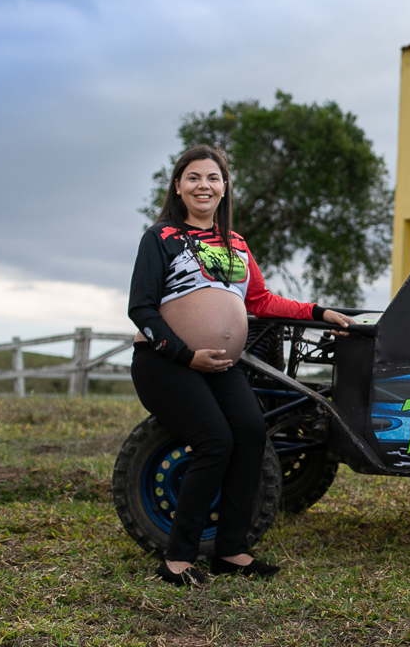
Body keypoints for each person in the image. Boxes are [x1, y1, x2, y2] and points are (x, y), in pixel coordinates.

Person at [128, 145, 354, 586]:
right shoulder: (160, 238)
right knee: (215, 440)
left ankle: (231, 551)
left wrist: (319, 311)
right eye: (193, 177)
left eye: (212, 178)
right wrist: (186, 354)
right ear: (178, 186)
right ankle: (177, 560)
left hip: (220, 369)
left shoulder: (236, 245)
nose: (203, 186)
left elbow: (262, 302)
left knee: (250, 433)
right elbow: (142, 309)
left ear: (225, 187)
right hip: (165, 363)